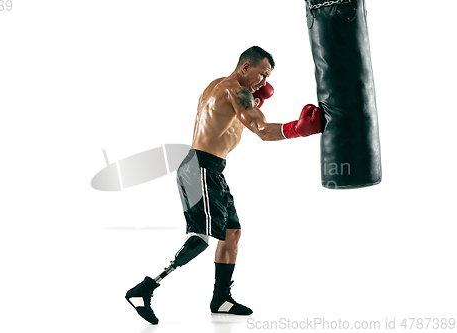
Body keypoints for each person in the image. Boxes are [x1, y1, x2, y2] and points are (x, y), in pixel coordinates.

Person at [125, 46, 323, 325]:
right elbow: (262, 131)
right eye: (262, 74)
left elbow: (229, 121)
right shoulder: (237, 91)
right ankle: (144, 289)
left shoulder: (218, 86)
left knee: (232, 233)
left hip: (210, 169)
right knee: (200, 240)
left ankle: (221, 300)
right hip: (200, 168)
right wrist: (298, 129)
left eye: (267, 77)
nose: (264, 83)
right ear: (245, 67)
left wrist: (254, 103)